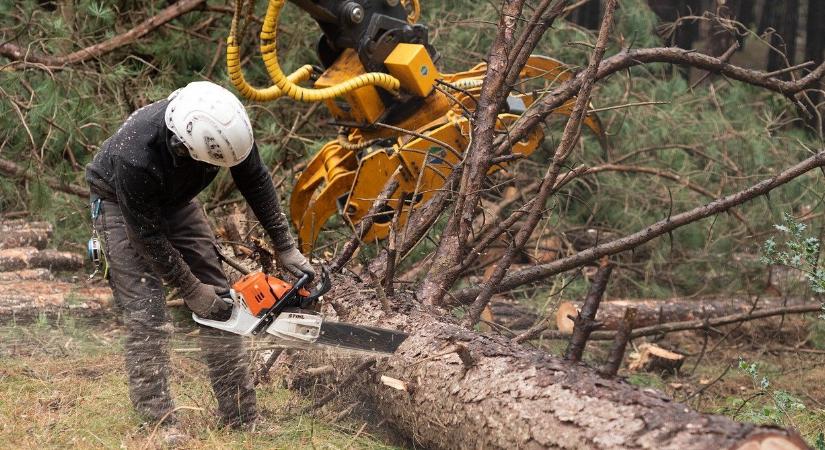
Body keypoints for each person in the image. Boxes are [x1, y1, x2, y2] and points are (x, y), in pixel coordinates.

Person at [85, 81, 314, 434]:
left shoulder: (226, 128)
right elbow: (144, 234)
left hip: (176, 201)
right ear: (181, 145)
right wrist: (190, 288)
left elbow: (254, 179)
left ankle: (241, 416)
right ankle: (158, 422)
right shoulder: (135, 154)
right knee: (147, 312)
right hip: (120, 204)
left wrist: (285, 244)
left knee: (222, 303)